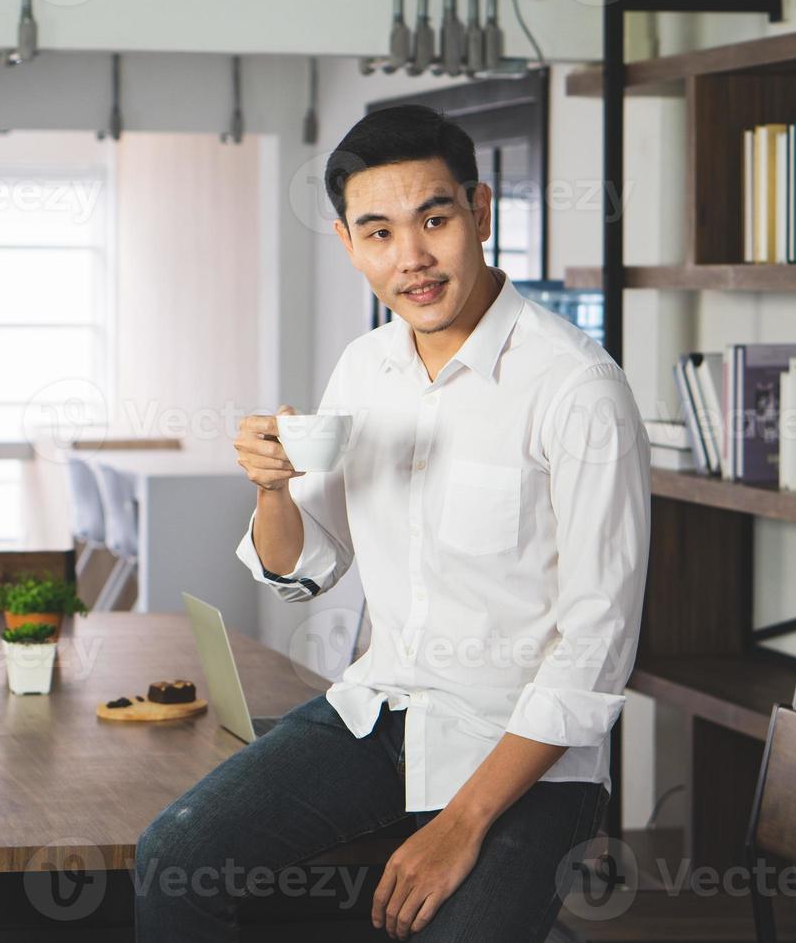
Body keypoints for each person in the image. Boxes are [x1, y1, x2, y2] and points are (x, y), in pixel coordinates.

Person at [135, 103, 650, 942]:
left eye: (434, 220)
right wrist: (272, 488)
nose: (410, 258)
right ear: (347, 243)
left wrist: (458, 825)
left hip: (521, 753)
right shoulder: (364, 366)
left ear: (479, 213)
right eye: (377, 233)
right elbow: (306, 566)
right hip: (378, 712)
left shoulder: (576, 389)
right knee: (174, 857)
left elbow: (596, 648)